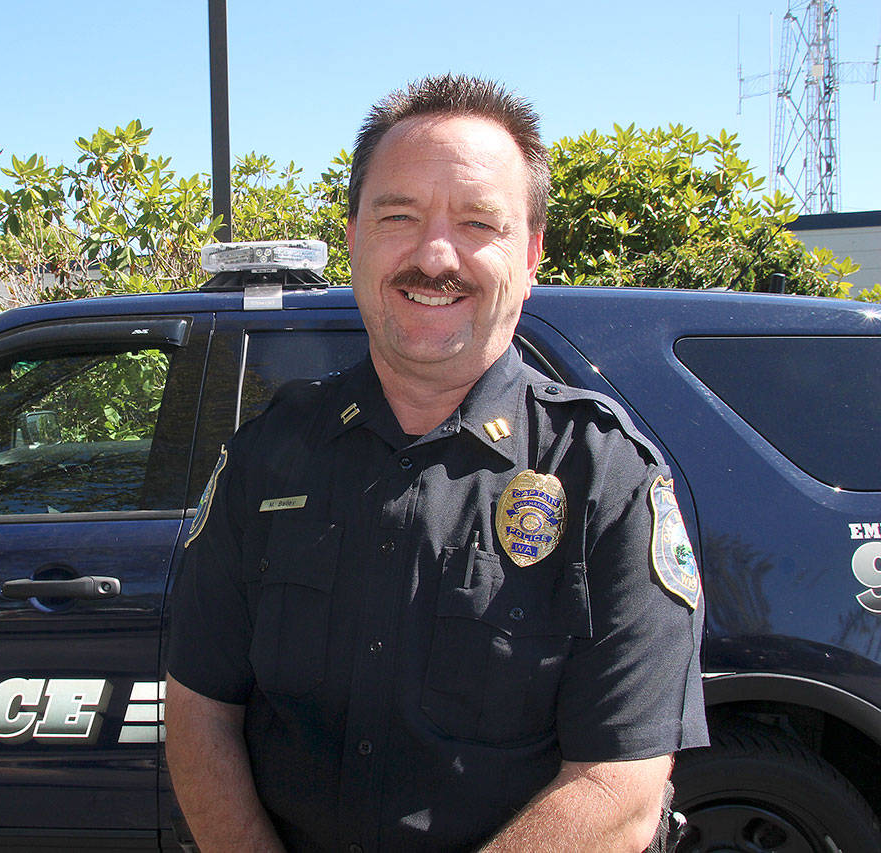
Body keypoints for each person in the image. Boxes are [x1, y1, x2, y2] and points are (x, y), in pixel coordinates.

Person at [165, 74, 708, 852]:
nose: (435, 254)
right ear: (352, 236)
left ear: (529, 254)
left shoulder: (605, 479)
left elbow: (619, 785)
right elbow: (197, 711)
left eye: (478, 222)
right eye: (399, 216)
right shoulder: (266, 457)